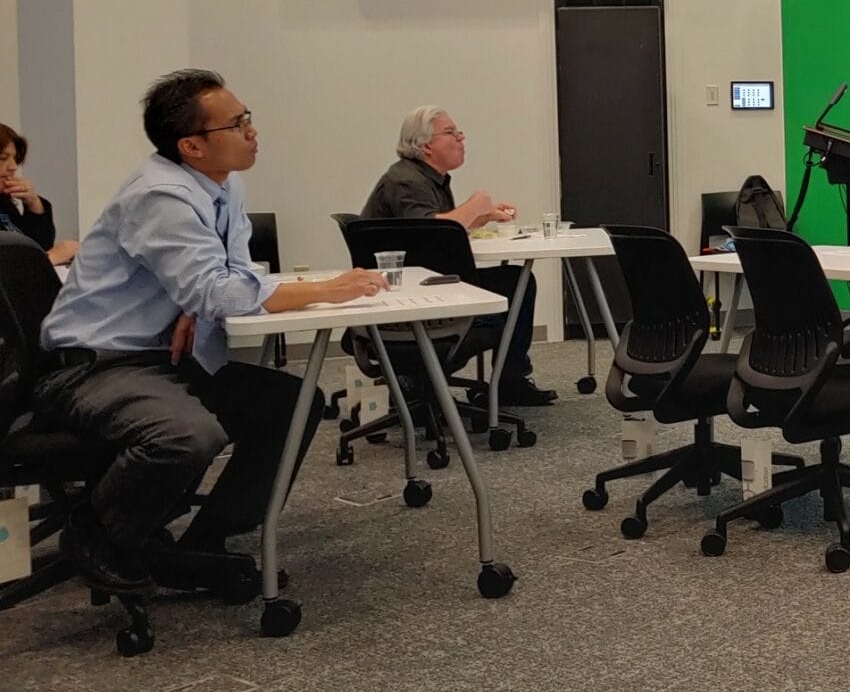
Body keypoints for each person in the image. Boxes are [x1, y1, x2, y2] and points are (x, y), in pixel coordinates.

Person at [35, 69, 389, 594]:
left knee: (292, 404)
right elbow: (219, 292)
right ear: (192, 145)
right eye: (237, 124)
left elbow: (230, 275)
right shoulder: (161, 196)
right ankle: (98, 534)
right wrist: (324, 289)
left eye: (248, 118)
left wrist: (194, 301)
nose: (252, 131)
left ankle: (206, 540)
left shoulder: (222, 184)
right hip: (94, 365)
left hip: (156, 357)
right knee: (186, 435)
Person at [361, 106, 556, 407]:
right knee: (516, 284)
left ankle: (508, 379)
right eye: (450, 133)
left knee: (515, 281)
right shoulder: (405, 180)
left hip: (424, 282)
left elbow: (434, 230)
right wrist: (475, 204)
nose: (461, 138)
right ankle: (507, 380)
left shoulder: (426, 177)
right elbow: (430, 233)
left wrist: (482, 216)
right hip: (412, 295)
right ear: (425, 145)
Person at [0, 123, 79, 264]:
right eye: (3, 158)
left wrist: (33, 203)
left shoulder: (4, 202)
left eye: (15, 158)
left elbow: (39, 246)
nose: (13, 167)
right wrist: (53, 257)